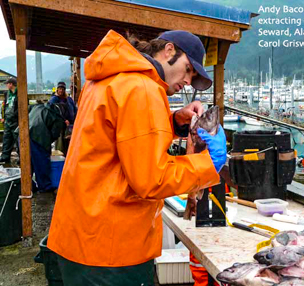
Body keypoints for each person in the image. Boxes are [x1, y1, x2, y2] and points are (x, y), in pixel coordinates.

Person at [48, 29, 227, 285]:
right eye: (188, 69)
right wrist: (208, 164)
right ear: (168, 50)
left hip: (80, 236)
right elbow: (151, 179)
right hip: (111, 251)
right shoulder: (142, 87)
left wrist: (174, 122)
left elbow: (118, 138)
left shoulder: (111, 77)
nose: (188, 80)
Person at [16, 102, 68, 193]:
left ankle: (29, 186)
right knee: (42, 162)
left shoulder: (37, 106)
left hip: (21, 132)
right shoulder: (58, 117)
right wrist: (47, 146)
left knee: (26, 163)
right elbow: (55, 134)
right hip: (38, 136)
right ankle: (45, 187)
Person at [49, 81, 78, 155]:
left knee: (71, 146)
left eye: (63, 89)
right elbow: (52, 111)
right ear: (57, 90)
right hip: (60, 126)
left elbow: (75, 110)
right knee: (61, 147)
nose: (61, 90)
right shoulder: (54, 99)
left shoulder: (69, 99)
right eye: (59, 88)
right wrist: (64, 120)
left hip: (71, 126)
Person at [0, 77, 19, 163]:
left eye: (7, 84)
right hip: (7, 120)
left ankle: (22, 157)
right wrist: (3, 116)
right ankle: (5, 156)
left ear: (11, 84)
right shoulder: (7, 94)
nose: (6, 85)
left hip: (16, 120)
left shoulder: (19, 93)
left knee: (18, 140)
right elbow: (5, 106)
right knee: (6, 139)